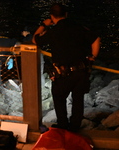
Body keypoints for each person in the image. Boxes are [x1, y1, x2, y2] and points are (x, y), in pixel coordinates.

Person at [32, 3, 100, 132]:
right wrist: (92, 57)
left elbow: (35, 40)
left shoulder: (53, 32)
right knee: (78, 100)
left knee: (58, 98)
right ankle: (75, 127)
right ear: (66, 14)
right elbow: (96, 39)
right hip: (81, 71)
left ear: (52, 16)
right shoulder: (79, 27)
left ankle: (62, 125)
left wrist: (44, 25)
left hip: (62, 73)